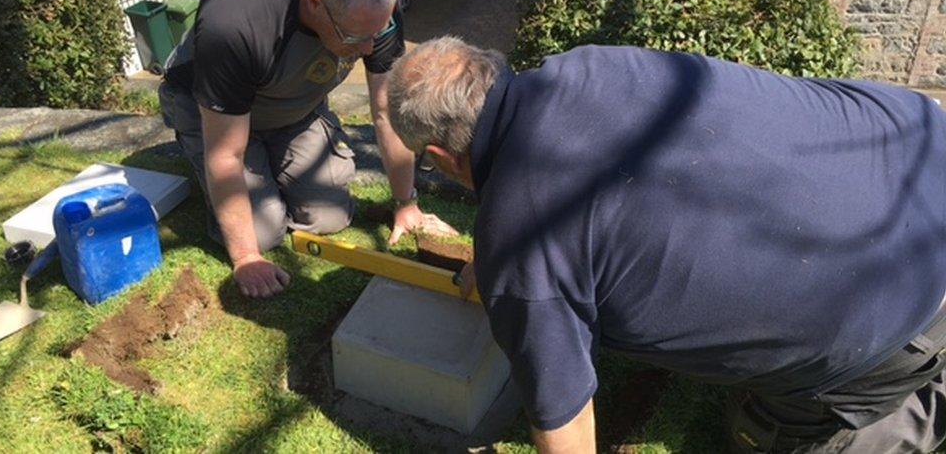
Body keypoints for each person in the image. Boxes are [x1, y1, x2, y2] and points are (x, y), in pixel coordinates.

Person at [386, 36, 946, 453]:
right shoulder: (592, 64)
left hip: (890, 309)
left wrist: (512, 264)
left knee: (758, 431)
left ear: (438, 158)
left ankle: (909, 409)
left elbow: (566, 422)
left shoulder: (522, 235)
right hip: (917, 146)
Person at [159, 0, 455, 299]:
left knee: (330, 217)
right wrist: (247, 256)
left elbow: (385, 111)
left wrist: (406, 204)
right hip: (214, 111)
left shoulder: (375, 5)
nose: (368, 49)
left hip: (294, 105)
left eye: (376, 35)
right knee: (263, 233)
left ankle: (271, 164)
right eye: (355, 37)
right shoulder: (236, 23)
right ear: (314, 3)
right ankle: (228, 165)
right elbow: (226, 155)